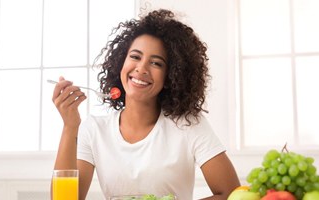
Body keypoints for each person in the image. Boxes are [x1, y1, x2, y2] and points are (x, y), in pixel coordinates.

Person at [51, 9, 240, 200]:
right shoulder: (94, 130)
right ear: (121, 63)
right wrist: (70, 126)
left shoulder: (187, 124)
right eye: (135, 56)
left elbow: (230, 193)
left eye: (156, 63)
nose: (141, 68)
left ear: (170, 76)